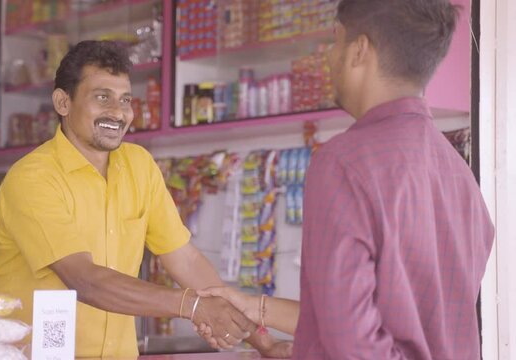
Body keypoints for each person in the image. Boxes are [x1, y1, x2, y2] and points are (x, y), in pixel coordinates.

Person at [199, 0, 495, 359]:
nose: (327, 56)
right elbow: (404, 326)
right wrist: (265, 316)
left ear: (359, 50)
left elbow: (352, 345)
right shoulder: (459, 175)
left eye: (335, 40)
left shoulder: (344, 162)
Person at [0, 40, 289, 358]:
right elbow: (86, 281)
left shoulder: (139, 165)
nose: (117, 113)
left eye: (125, 100)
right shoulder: (34, 178)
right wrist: (193, 306)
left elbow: (184, 260)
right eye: (102, 97)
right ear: (63, 102)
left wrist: (263, 342)